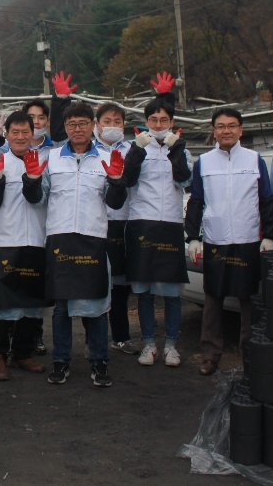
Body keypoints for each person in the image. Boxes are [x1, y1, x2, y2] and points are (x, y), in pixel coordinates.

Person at [25, 101, 123, 388]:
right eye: (72, 125)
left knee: (96, 304)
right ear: (65, 128)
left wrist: (117, 180)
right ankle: (61, 361)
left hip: (93, 238)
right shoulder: (52, 159)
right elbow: (37, 199)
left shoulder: (106, 158)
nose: (77, 129)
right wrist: (31, 179)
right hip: (60, 238)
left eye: (83, 123)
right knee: (61, 308)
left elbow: (116, 203)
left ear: (93, 125)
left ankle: (100, 361)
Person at [185, 108, 273, 376]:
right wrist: (193, 238)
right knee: (213, 301)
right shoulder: (203, 162)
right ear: (213, 131)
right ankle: (211, 355)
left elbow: (266, 200)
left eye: (232, 126)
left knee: (248, 303)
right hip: (216, 240)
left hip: (248, 240)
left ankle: (249, 355)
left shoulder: (254, 159)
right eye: (221, 126)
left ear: (240, 130)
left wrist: (269, 236)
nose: (227, 130)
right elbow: (197, 201)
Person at [116, 72, 193, 368]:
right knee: (144, 291)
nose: (158, 125)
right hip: (141, 223)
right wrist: (137, 149)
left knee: (172, 291)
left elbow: (184, 180)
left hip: (171, 223)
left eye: (163, 120)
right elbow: (128, 179)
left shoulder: (179, 149)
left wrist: (176, 148)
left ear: (171, 122)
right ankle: (149, 344)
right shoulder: (137, 148)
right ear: (145, 122)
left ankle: (171, 345)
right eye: (153, 120)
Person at [0, 111, 51, 381]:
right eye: (15, 132)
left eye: (26, 132)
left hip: (36, 238)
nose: (21, 137)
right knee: (1, 300)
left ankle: (22, 353)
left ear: (33, 132)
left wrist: (33, 179)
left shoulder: (45, 160)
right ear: (7, 134)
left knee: (31, 299)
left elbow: (39, 200)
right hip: (4, 238)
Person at [93, 102, 137, 355]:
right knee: (96, 282)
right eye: (107, 121)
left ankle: (121, 336)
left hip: (122, 221)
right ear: (97, 124)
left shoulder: (132, 150)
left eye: (117, 122)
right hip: (95, 223)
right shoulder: (88, 150)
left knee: (120, 285)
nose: (112, 126)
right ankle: (92, 340)